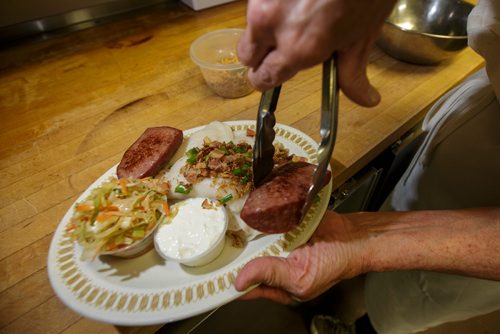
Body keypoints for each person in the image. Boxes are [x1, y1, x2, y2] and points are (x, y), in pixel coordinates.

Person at [235, 0, 500, 333]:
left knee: (404, 303)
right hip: (480, 110)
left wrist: (364, 245)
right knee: (400, 216)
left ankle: (355, 326)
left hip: (483, 232)